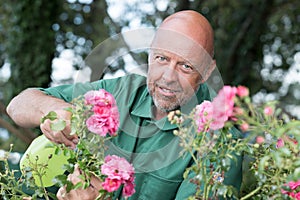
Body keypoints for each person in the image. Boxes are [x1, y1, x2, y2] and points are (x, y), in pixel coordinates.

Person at [6, 10, 243, 199]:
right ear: (150, 54)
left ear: (207, 71)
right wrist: (55, 111)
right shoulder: (121, 91)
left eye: (186, 66)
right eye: (162, 58)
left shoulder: (219, 140)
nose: (168, 77)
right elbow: (19, 104)